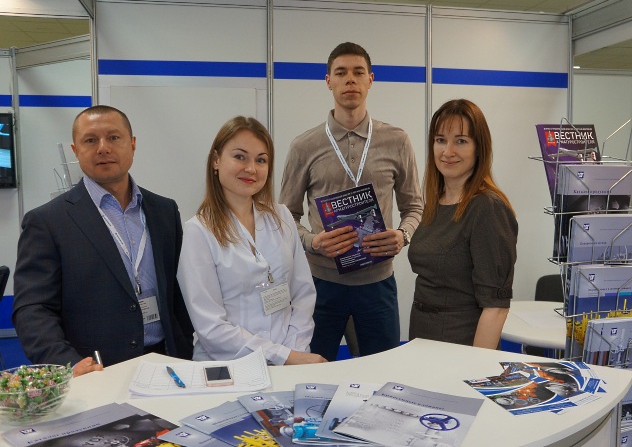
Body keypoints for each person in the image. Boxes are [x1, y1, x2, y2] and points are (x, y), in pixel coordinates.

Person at [12, 105, 194, 376]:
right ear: (75, 151)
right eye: (90, 140)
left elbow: (179, 293)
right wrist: (67, 363)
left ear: (132, 144)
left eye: (114, 137)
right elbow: (33, 309)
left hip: (169, 363)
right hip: (96, 371)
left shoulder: (165, 211)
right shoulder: (48, 222)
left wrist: (186, 348)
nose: (103, 148)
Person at [279, 42, 423, 361]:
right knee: (313, 372)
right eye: (341, 73)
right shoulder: (304, 146)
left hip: (377, 283)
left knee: (382, 371)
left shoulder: (397, 140)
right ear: (328, 81)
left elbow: (415, 206)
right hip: (320, 284)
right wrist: (312, 242)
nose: (350, 80)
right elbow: (285, 215)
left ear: (371, 79)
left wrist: (403, 235)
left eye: (358, 72)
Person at [177, 116, 326, 365]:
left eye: (261, 160)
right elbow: (211, 328)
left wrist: (294, 350)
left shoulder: (282, 216)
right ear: (216, 160)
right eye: (240, 157)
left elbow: (303, 294)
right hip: (230, 366)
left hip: (292, 357)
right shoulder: (198, 231)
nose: (251, 169)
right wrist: (283, 357)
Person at [408, 99, 518, 349]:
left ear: (479, 148)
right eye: (440, 140)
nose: (448, 151)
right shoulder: (436, 203)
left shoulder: (487, 208)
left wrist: (475, 366)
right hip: (422, 339)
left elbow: (496, 307)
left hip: (461, 345)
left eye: (461, 141)